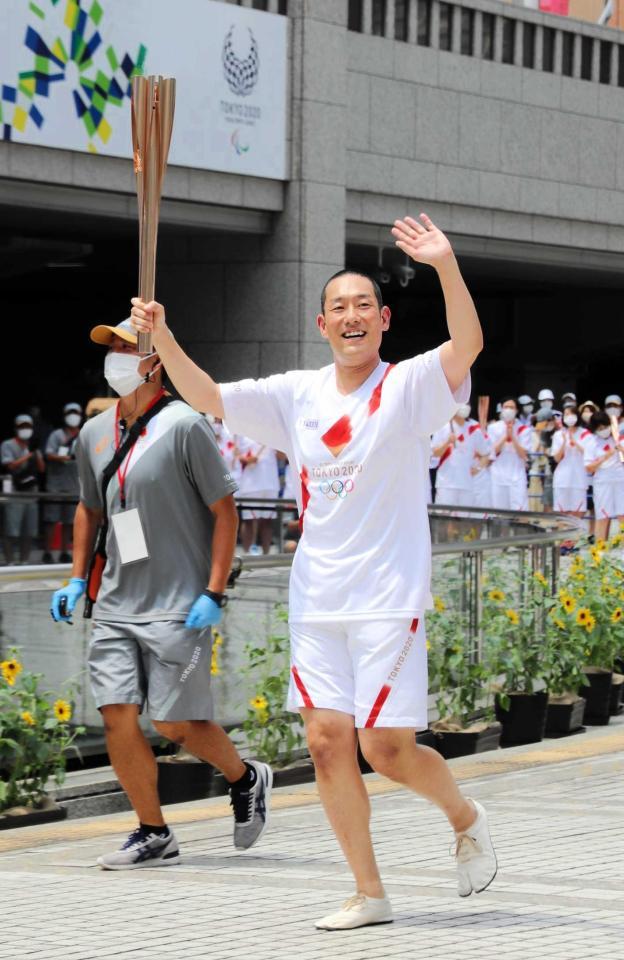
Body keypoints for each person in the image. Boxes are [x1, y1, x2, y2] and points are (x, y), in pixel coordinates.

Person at [130, 213, 497, 931]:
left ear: (384, 321)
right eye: (340, 308)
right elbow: (206, 396)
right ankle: (369, 892)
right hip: (319, 598)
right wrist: (162, 334)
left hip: (389, 597)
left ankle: (465, 814)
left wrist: (446, 264)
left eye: (365, 306)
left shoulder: (411, 386)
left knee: (384, 749)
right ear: (321, 322)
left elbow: (469, 343)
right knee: (328, 743)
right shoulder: (296, 394)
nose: (352, 316)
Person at [50, 318, 271, 869]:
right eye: (113, 349)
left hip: (178, 602)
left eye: (128, 347)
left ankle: (245, 778)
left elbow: (225, 511)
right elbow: (89, 508)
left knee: (174, 723)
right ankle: (153, 831)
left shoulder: (184, 426)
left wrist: (213, 590)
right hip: (117, 602)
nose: (118, 357)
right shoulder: (94, 432)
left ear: (154, 360)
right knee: (117, 715)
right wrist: (77, 578)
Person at [1, 414, 45, 564]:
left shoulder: (33, 447)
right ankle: (9, 560)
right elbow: (10, 465)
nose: (24, 430)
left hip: (31, 491)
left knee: (29, 530)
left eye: (27, 427)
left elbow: (42, 468)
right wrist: (29, 455)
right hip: (14, 490)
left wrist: (36, 453)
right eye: (21, 427)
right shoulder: (7, 445)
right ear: (16, 428)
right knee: (11, 529)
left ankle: (25, 560)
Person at [43, 403, 83, 563]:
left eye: (76, 412)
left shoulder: (83, 434)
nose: (73, 415)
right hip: (56, 484)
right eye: (70, 412)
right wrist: (64, 458)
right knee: (51, 519)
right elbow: (48, 454)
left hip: (74, 484)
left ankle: (65, 551)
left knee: (69, 521)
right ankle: (47, 551)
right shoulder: (57, 435)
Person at [431, 402, 488, 508]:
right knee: (445, 519)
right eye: (462, 403)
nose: (465, 407)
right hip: (446, 483)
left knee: (464, 520)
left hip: (467, 483)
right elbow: (435, 453)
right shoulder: (442, 426)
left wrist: (478, 468)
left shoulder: (474, 428)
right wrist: (447, 442)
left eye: (467, 404)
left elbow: (486, 454)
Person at [585, 410, 624, 541]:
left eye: (605, 427)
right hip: (602, 481)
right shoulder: (591, 442)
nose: (604, 430)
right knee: (602, 516)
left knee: (622, 515)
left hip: (620, 479)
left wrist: (620, 447)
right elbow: (589, 468)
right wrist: (604, 457)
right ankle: (600, 552)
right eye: (600, 428)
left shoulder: (618, 437)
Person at [236, 437, 280, 554]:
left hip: (270, 482)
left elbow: (282, 456)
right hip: (250, 483)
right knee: (249, 520)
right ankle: (247, 556)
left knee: (267, 520)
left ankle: (266, 554)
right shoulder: (241, 431)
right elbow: (235, 454)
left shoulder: (272, 432)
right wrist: (246, 459)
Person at [488, 398, 531, 511]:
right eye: (506, 407)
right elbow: (492, 451)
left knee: (519, 512)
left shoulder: (524, 430)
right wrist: (505, 436)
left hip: (517, 476)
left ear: (516, 410)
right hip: (498, 476)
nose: (508, 410)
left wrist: (512, 436)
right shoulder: (493, 428)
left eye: (511, 407)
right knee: (499, 513)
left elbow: (523, 454)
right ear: (501, 409)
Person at [551, 406, 588, 516]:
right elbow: (556, 458)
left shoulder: (585, 434)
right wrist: (564, 442)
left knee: (578, 512)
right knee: (562, 515)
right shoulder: (559, 435)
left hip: (579, 480)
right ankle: (563, 533)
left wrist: (575, 442)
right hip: (562, 480)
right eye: (566, 414)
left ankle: (574, 534)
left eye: (572, 414)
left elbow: (588, 453)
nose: (569, 417)